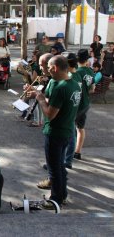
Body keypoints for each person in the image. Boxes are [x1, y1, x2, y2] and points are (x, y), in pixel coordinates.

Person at [35, 55, 81, 208]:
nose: (47, 70)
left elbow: (49, 114)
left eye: (48, 67)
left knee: (54, 169)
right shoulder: (74, 84)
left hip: (56, 133)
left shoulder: (61, 87)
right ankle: (63, 194)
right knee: (60, 166)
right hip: (67, 131)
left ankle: (55, 200)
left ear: (55, 68)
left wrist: (40, 98)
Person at [73, 49, 95, 160]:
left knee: (70, 128)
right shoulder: (91, 72)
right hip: (85, 103)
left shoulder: (75, 72)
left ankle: (68, 152)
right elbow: (92, 89)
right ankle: (78, 152)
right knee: (80, 128)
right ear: (87, 59)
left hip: (75, 104)